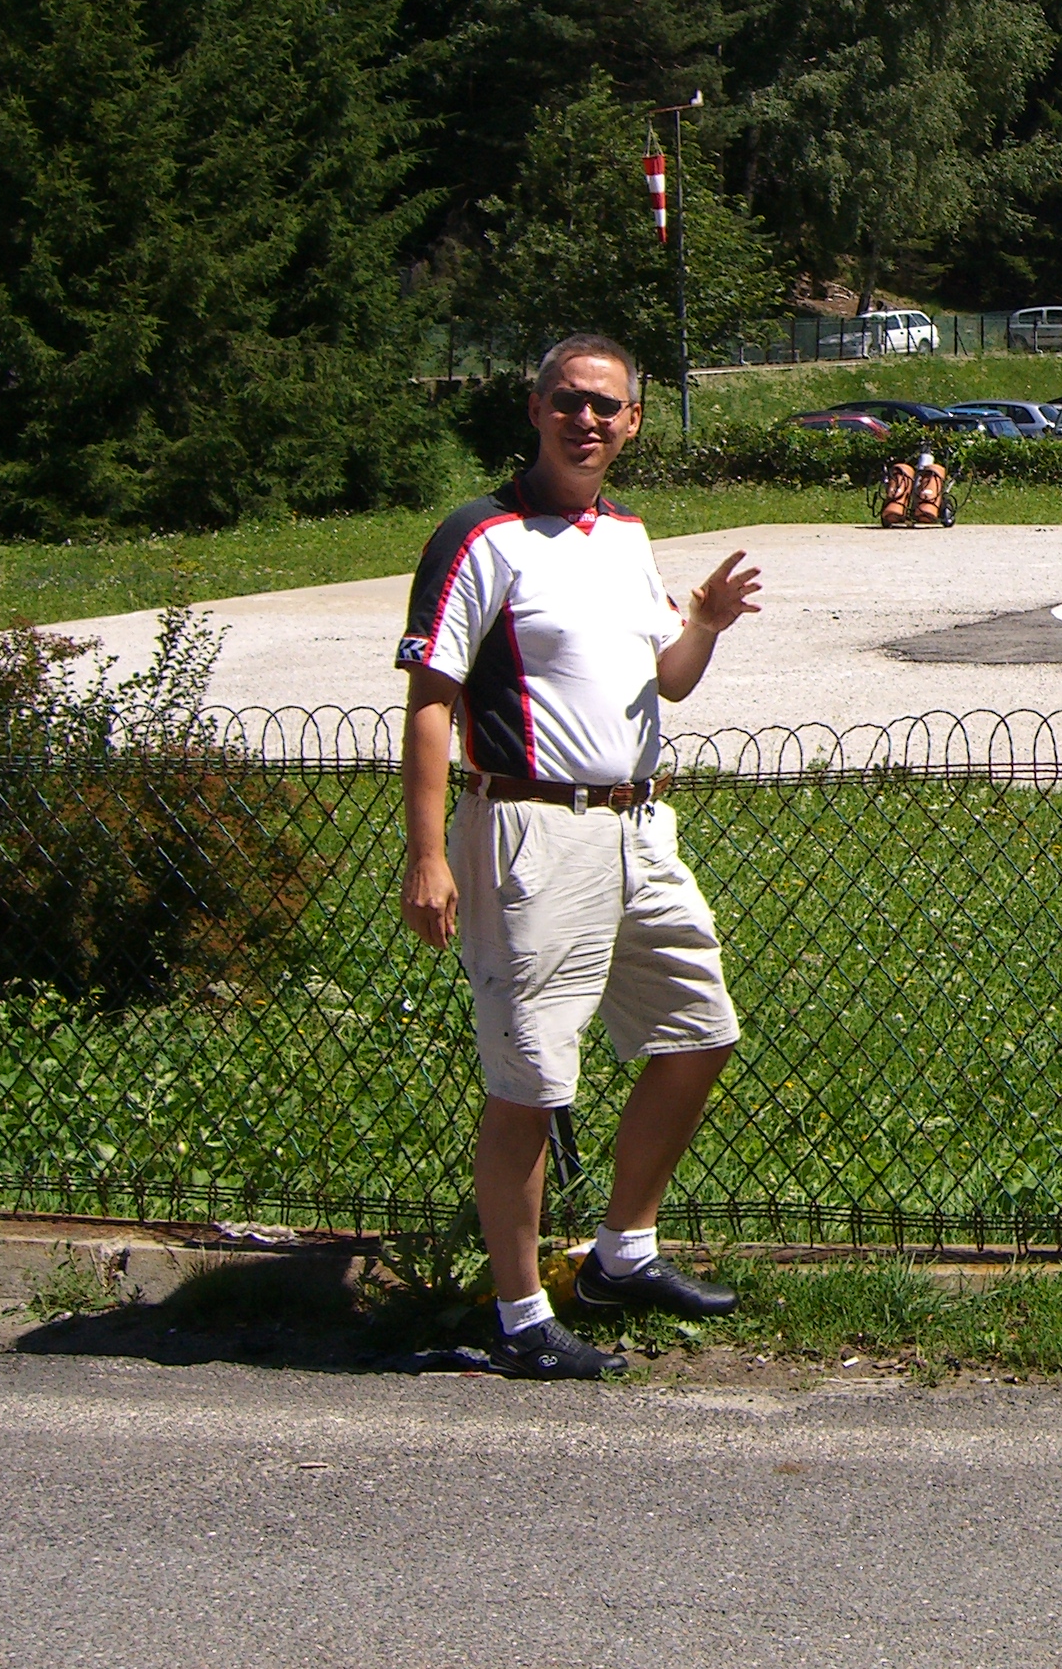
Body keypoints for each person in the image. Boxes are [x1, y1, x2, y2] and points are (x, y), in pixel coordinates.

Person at [396, 334, 764, 1379]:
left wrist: (705, 622)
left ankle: (621, 1253)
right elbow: (432, 703)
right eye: (569, 401)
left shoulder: (624, 537)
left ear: (634, 421)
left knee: (698, 1030)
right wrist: (429, 855)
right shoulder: (479, 537)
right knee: (530, 1080)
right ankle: (519, 1319)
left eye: (608, 407)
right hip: (529, 830)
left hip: (637, 828)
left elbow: (671, 679)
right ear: (536, 408)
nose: (587, 420)